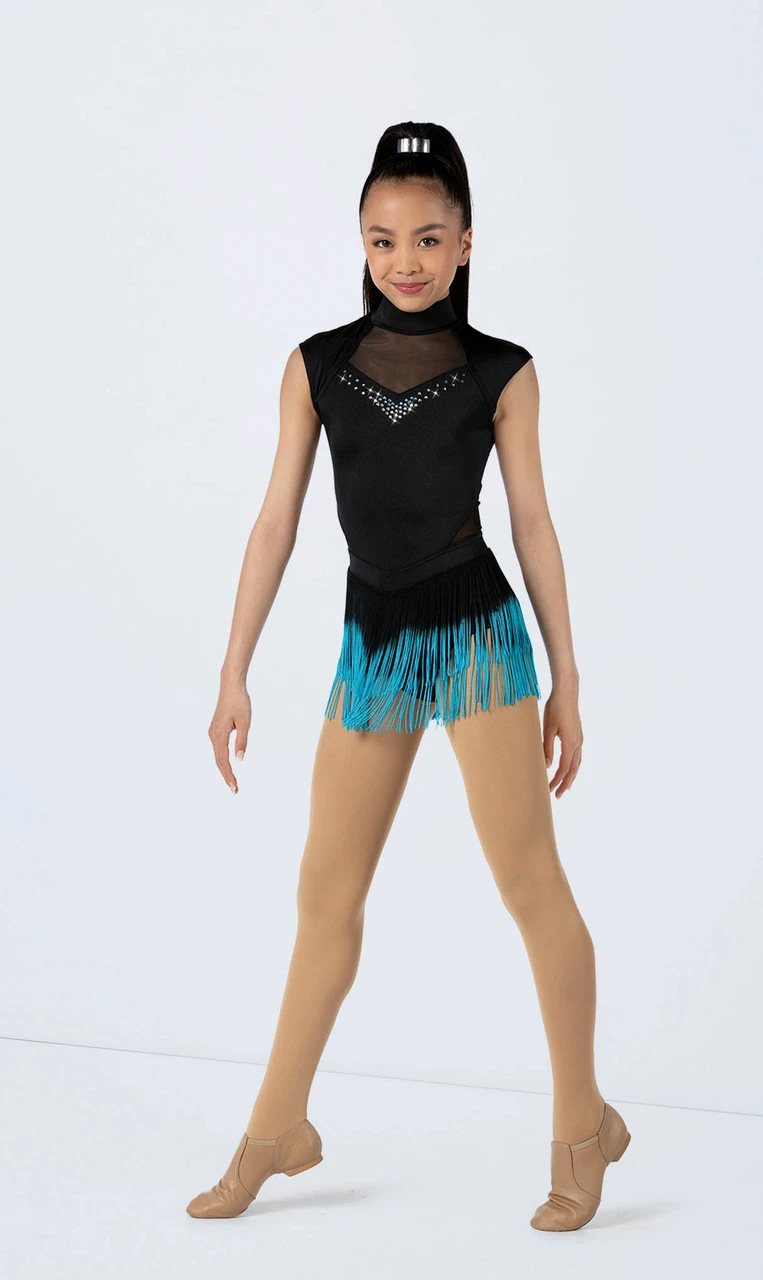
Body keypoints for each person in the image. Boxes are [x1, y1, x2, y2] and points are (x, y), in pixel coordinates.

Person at [186, 123, 630, 1231]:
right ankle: (275, 1129)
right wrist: (234, 669)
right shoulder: (317, 367)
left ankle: (583, 1126)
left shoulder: (501, 372)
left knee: (530, 884)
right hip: (375, 644)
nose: (407, 260)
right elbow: (276, 520)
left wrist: (567, 680)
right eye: (384, 239)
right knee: (325, 894)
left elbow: (533, 523)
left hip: (476, 636)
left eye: (430, 238)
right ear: (360, 241)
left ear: (466, 242)